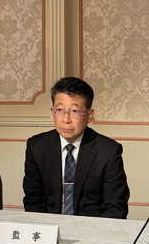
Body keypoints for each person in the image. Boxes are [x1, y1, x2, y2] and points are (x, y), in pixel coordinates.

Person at [23, 77, 130, 218]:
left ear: (89, 115)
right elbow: (33, 200)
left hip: (92, 226)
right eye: (59, 110)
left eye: (74, 111)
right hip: (49, 225)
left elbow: (115, 207)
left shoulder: (108, 151)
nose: (66, 119)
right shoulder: (36, 146)